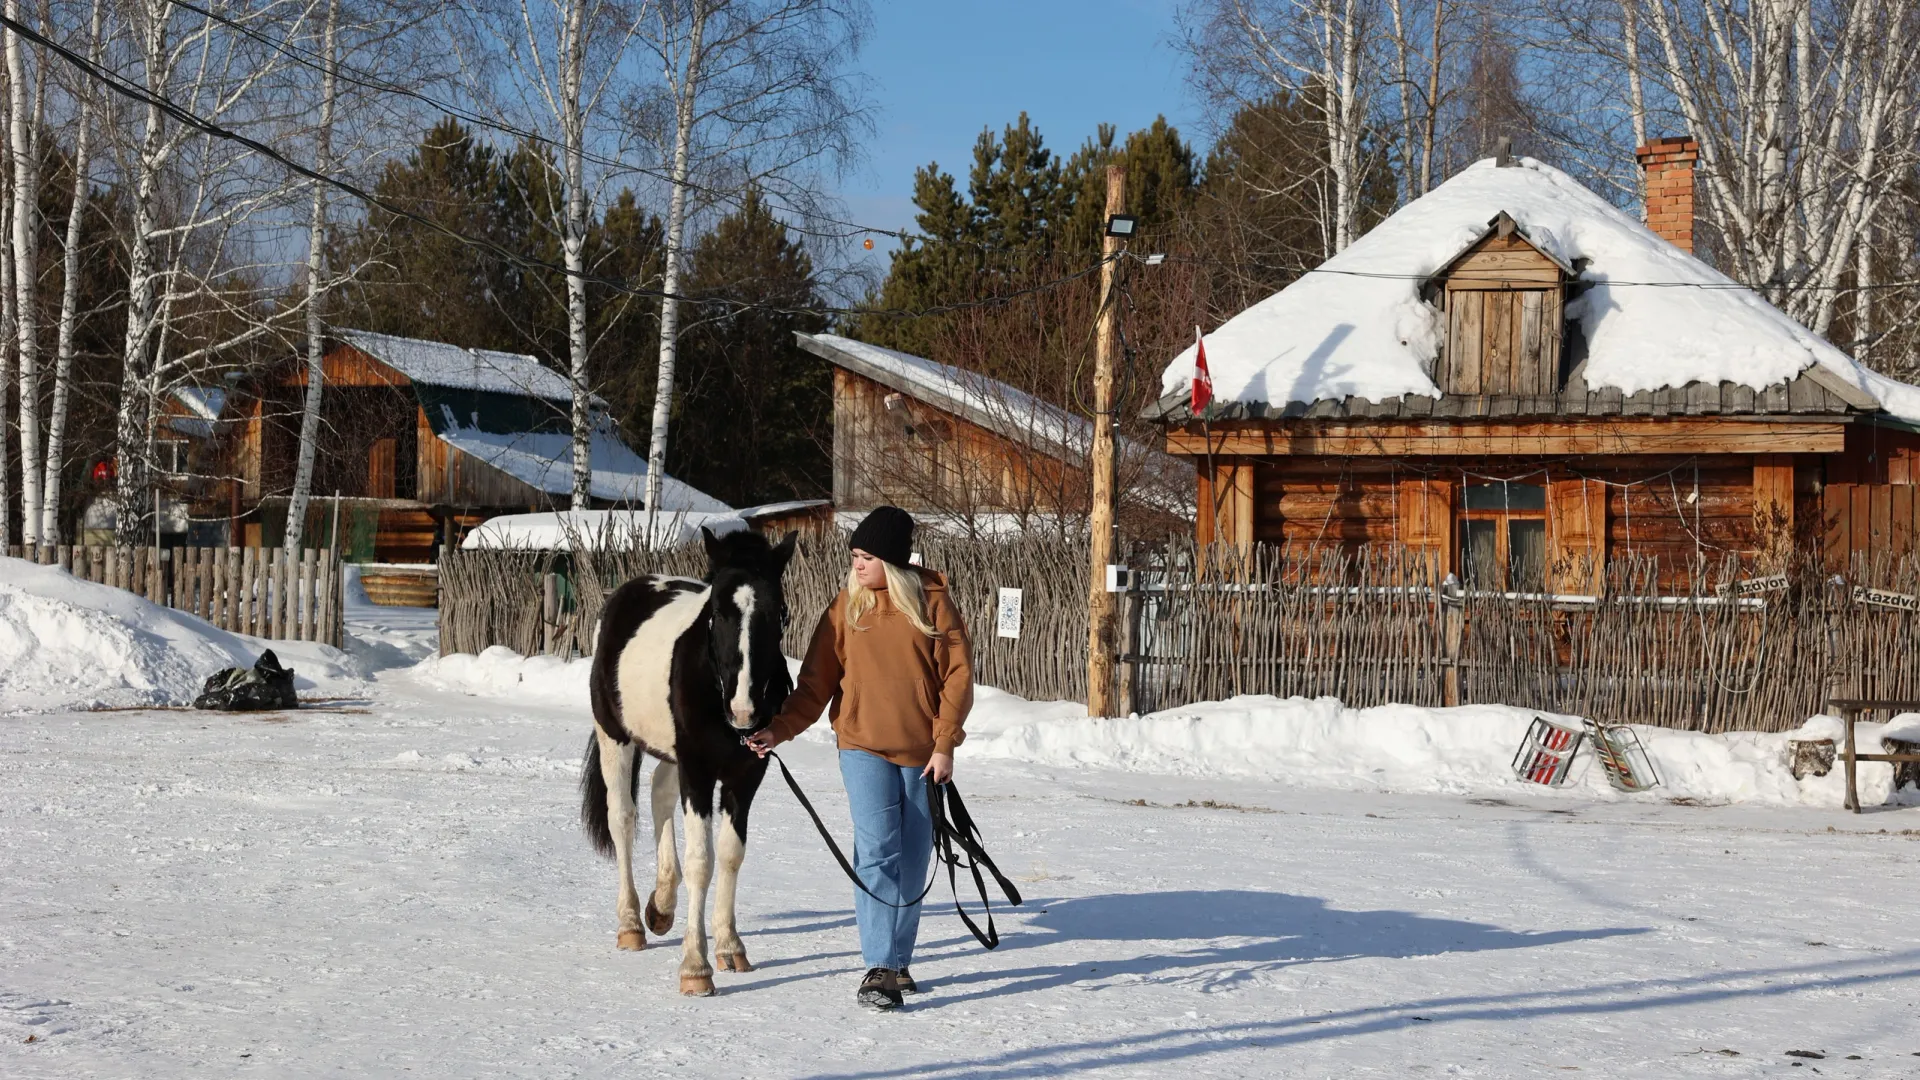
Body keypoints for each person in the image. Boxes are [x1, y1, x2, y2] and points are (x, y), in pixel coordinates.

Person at [745, 505, 974, 1010]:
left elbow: (957, 676)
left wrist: (944, 744)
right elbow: (814, 685)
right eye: (853, 556)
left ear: (891, 560)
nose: (857, 566)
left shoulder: (932, 601)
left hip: (921, 752)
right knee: (876, 851)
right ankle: (879, 966)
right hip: (861, 746)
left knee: (915, 860)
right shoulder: (844, 607)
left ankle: (899, 958)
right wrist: (779, 730)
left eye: (866, 557)